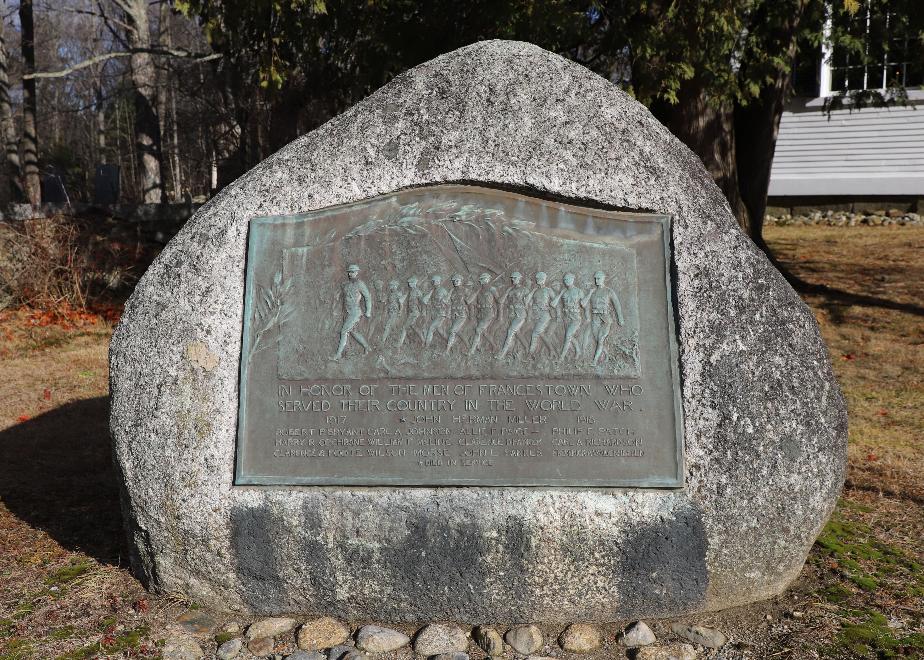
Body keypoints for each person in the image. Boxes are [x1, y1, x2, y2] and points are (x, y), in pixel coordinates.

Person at [581, 270, 624, 365]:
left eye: (599, 278)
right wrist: (589, 293)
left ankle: (594, 361)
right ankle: (606, 355)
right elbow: (583, 304)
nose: (597, 280)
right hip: (595, 318)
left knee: (600, 339)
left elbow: (617, 305)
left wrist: (620, 318)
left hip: (605, 318)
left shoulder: (609, 291)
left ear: (604, 278)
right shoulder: (593, 291)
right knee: (598, 340)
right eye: (595, 278)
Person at [331, 264, 372, 360]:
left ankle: (338, 354)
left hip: (355, 312)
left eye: (353, 272)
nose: (350, 274)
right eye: (349, 272)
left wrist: (368, 311)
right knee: (354, 332)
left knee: (344, 331)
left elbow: (367, 297)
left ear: (357, 272)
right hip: (347, 312)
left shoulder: (360, 284)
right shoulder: (346, 285)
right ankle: (367, 347)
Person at [495, 271, 530, 359]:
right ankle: (527, 349)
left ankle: (502, 354)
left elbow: (528, 304)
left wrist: (529, 316)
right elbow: (500, 301)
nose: (513, 280)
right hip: (511, 314)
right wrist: (507, 291)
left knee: (510, 332)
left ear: (520, 279)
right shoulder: (510, 289)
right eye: (512, 278)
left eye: (515, 278)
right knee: (517, 334)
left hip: (520, 315)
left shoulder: (524, 289)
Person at [552, 272, 584, 361]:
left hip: (576, 318)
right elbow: (553, 304)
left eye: (568, 279)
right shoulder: (564, 291)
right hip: (566, 318)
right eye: (564, 280)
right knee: (569, 336)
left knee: (568, 335)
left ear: (573, 279)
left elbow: (584, 305)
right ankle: (578, 351)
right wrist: (560, 293)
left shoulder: (579, 291)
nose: (566, 281)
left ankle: (561, 357)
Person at [467, 272, 499, 356]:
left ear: (488, 280)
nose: (481, 281)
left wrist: (499, 315)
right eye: (481, 279)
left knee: (478, 330)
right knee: (483, 332)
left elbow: (499, 301)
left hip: (488, 314)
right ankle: (494, 346)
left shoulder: (492, 289)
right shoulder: (479, 291)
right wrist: (477, 292)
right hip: (480, 313)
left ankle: (472, 350)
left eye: (483, 279)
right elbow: (469, 301)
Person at [526, 271, 555, 357]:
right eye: (537, 278)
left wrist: (557, 314)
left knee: (536, 332)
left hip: (545, 315)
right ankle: (551, 350)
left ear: (544, 279)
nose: (538, 280)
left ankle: (530, 354)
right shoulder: (535, 291)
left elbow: (555, 302)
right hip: (536, 315)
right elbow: (527, 302)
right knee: (539, 333)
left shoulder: (548, 290)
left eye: (540, 278)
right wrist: (532, 291)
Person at [423, 274, 450, 347]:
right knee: (439, 330)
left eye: (434, 281)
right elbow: (426, 301)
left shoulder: (442, 290)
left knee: (431, 327)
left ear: (438, 282)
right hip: (435, 313)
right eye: (433, 281)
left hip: (442, 313)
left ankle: (426, 345)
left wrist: (448, 314)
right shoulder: (433, 291)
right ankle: (449, 341)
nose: (433, 282)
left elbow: (448, 302)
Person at [397, 275, 424, 347]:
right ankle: (422, 340)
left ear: (415, 283)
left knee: (406, 327)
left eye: (411, 282)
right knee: (412, 327)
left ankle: (399, 344)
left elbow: (422, 302)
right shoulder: (410, 291)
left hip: (416, 312)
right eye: (409, 283)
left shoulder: (417, 291)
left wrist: (423, 312)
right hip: (411, 312)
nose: (410, 284)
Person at [445, 274, 469, 353]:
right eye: (454, 281)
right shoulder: (452, 291)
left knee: (452, 331)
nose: (455, 282)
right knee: (456, 331)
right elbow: (447, 301)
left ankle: (447, 350)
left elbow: (471, 302)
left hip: (462, 314)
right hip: (453, 313)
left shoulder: (465, 290)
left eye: (457, 280)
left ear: (461, 281)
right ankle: (468, 345)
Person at [381, 279, 405, 344]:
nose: (390, 287)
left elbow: (401, 303)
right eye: (390, 285)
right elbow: (386, 301)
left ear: (395, 286)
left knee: (389, 326)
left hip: (395, 312)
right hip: (390, 312)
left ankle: (383, 340)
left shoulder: (398, 293)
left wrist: (400, 311)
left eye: (391, 285)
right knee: (391, 326)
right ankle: (389, 340)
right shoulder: (390, 294)